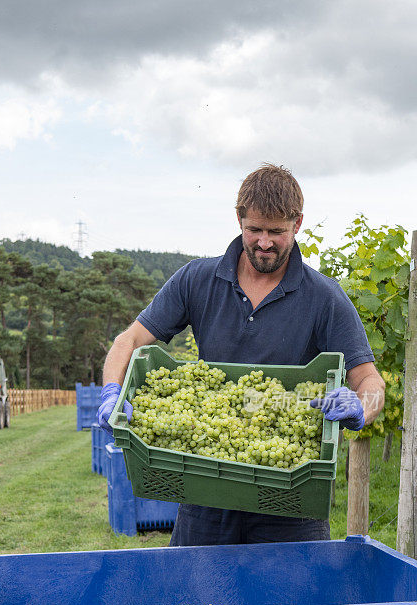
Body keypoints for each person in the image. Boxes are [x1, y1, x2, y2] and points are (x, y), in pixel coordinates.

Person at [97, 163, 385, 546]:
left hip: (290, 497)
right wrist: (111, 395)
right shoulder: (196, 280)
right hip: (205, 492)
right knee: (198, 601)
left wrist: (361, 407)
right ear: (239, 220)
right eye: (255, 230)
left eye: (276, 232)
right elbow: (128, 342)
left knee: (288, 603)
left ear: (297, 224)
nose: (264, 242)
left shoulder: (324, 296)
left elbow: (370, 381)